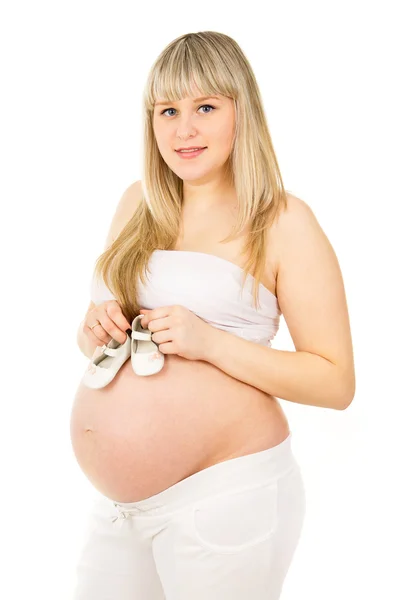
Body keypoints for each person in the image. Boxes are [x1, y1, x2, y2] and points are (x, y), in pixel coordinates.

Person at [71, 30, 355, 600]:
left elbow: (336, 382)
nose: (184, 130)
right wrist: (93, 329)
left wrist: (211, 343)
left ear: (240, 111)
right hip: (122, 507)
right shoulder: (137, 202)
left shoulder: (282, 221)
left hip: (228, 497)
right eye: (168, 110)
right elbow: (109, 335)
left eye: (205, 107)